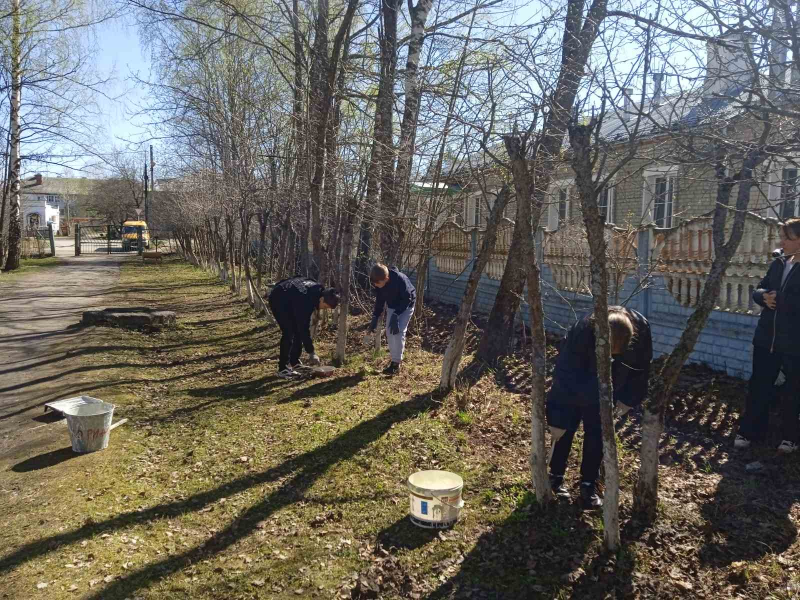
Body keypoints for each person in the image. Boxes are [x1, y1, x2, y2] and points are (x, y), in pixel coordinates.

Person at [547, 306, 652, 509]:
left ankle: (589, 485)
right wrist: (558, 418)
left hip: (608, 393)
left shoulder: (641, 331)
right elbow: (564, 376)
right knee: (565, 431)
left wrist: (628, 399)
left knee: (597, 434)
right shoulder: (581, 331)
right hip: (576, 386)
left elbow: (641, 369)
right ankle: (555, 477)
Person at [735, 218, 800, 454]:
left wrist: (778, 299)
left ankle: (790, 437)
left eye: (788, 238)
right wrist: (763, 297)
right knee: (759, 386)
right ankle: (750, 431)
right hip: (766, 338)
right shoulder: (780, 263)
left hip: (794, 342)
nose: (782, 241)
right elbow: (760, 288)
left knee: (793, 391)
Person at [268, 276, 339, 379]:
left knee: (297, 330)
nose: (324, 309)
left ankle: (294, 362)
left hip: (289, 298)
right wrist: (311, 352)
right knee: (289, 332)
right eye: (325, 307)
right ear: (322, 299)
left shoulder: (318, 288)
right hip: (278, 299)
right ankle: (282, 368)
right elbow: (303, 328)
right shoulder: (307, 300)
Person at [366, 263, 416, 375]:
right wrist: (375, 317)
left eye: (378, 284)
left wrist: (396, 314)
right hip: (392, 305)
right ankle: (394, 360)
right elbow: (380, 301)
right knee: (390, 332)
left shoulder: (400, 280)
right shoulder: (378, 280)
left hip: (406, 305)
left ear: (386, 279)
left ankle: (396, 364)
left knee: (398, 332)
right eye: (375, 284)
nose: (376, 285)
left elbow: (407, 299)